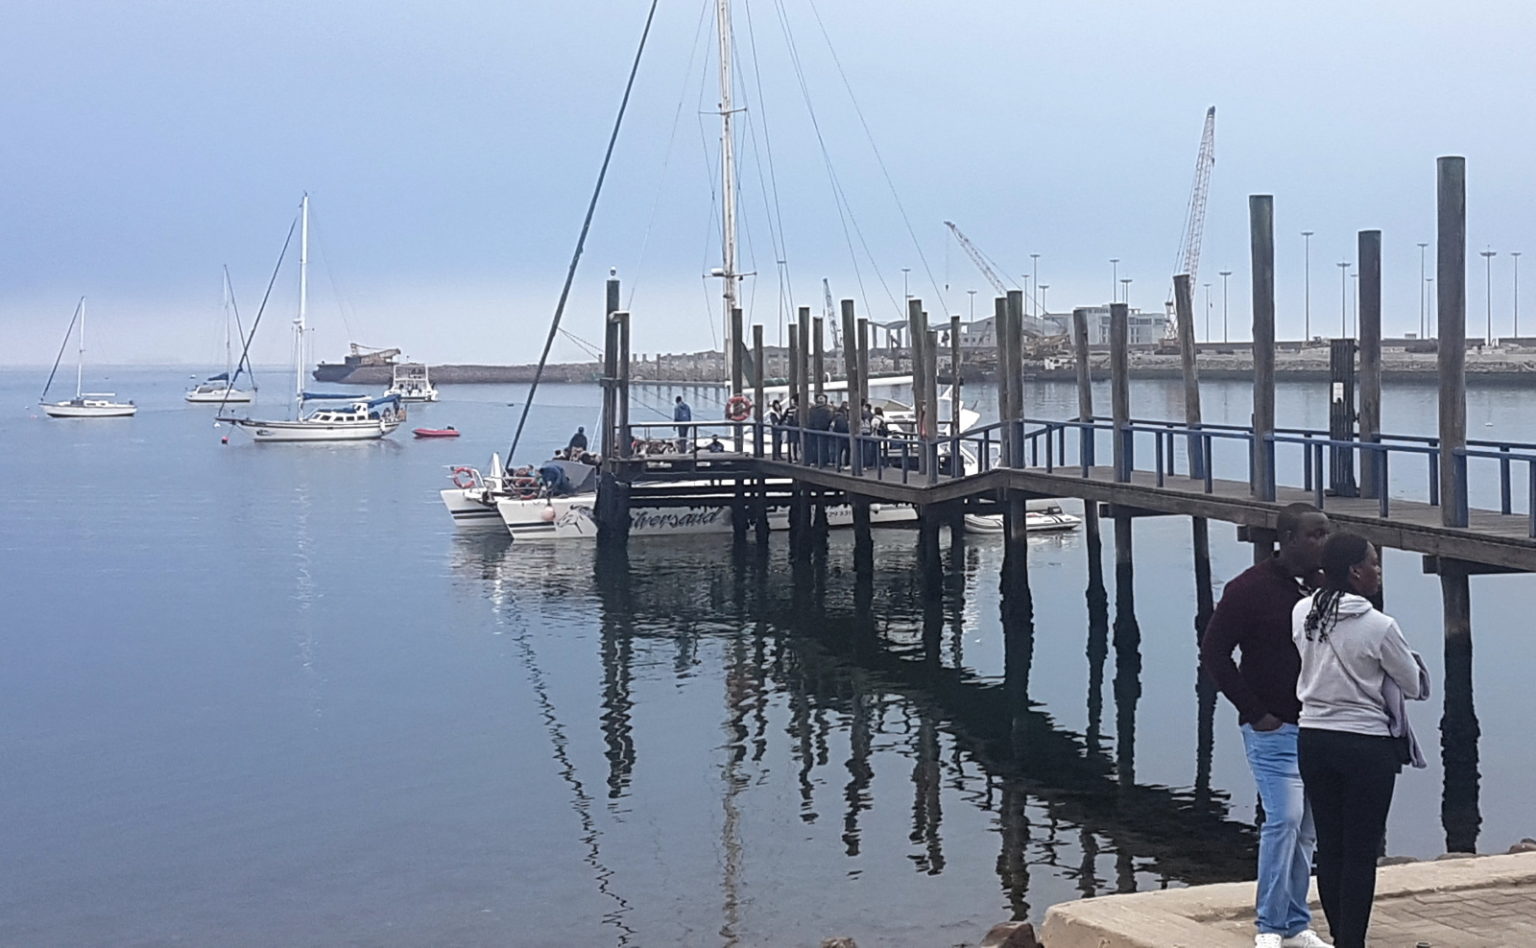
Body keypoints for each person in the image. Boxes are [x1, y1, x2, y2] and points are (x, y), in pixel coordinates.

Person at [1201, 502, 1333, 948]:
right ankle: (1269, 925)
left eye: (1327, 534)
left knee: (1309, 827)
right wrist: (1256, 713)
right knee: (1285, 819)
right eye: (1314, 535)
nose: (1323, 543)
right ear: (1289, 538)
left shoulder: (1321, 588)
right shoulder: (1248, 589)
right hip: (1273, 728)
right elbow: (1215, 654)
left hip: (1318, 725)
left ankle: (1296, 923)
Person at [1293, 533, 1426, 948]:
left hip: (1313, 736)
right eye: (1374, 563)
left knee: (1330, 844)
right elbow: (1413, 683)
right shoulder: (1378, 625)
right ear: (1355, 572)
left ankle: (1339, 936)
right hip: (1364, 744)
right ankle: (1352, 941)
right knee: (1361, 850)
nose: (1378, 570)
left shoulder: (1302, 612)